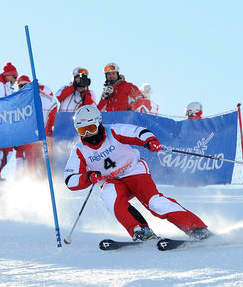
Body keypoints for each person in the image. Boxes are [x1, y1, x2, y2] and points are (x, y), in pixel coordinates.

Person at [64, 105, 212, 241]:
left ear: (99, 123)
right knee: (108, 195)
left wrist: (149, 140)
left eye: (91, 128)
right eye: (82, 130)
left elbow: (137, 132)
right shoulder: (79, 149)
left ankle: (197, 228)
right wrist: (88, 177)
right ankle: (140, 230)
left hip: (133, 171)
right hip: (111, 181)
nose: (88, 134)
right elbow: (70, 179)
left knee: (154, 202)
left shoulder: (113, 131)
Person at [15, 75, 58, 178]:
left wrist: (48, 133)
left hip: (40, 137)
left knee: (43, 160)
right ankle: (31, 180)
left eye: (25, 85)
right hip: (28, 138)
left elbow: (52, 118)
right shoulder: (18, 100)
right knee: (28, 160)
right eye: (21, 86)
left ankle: (48, 180)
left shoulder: (46, 99)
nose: (23, 88)